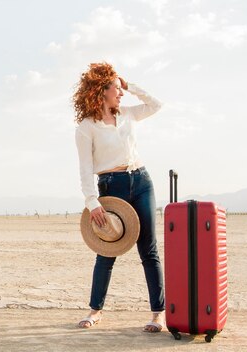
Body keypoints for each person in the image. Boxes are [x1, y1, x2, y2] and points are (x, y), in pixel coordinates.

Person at [73, 62, 165, 332]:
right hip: (111, 186)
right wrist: (92, 203)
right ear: (102, 91)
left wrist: (130, 85)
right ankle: (95, 310)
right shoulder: (86, 126)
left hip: (142, 181)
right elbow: (85, 169)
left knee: (148, 249)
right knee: (106, 250)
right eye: (116, 87)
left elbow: (156, 105)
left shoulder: (127, 114)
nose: (121, 92)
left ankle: (157, 314)